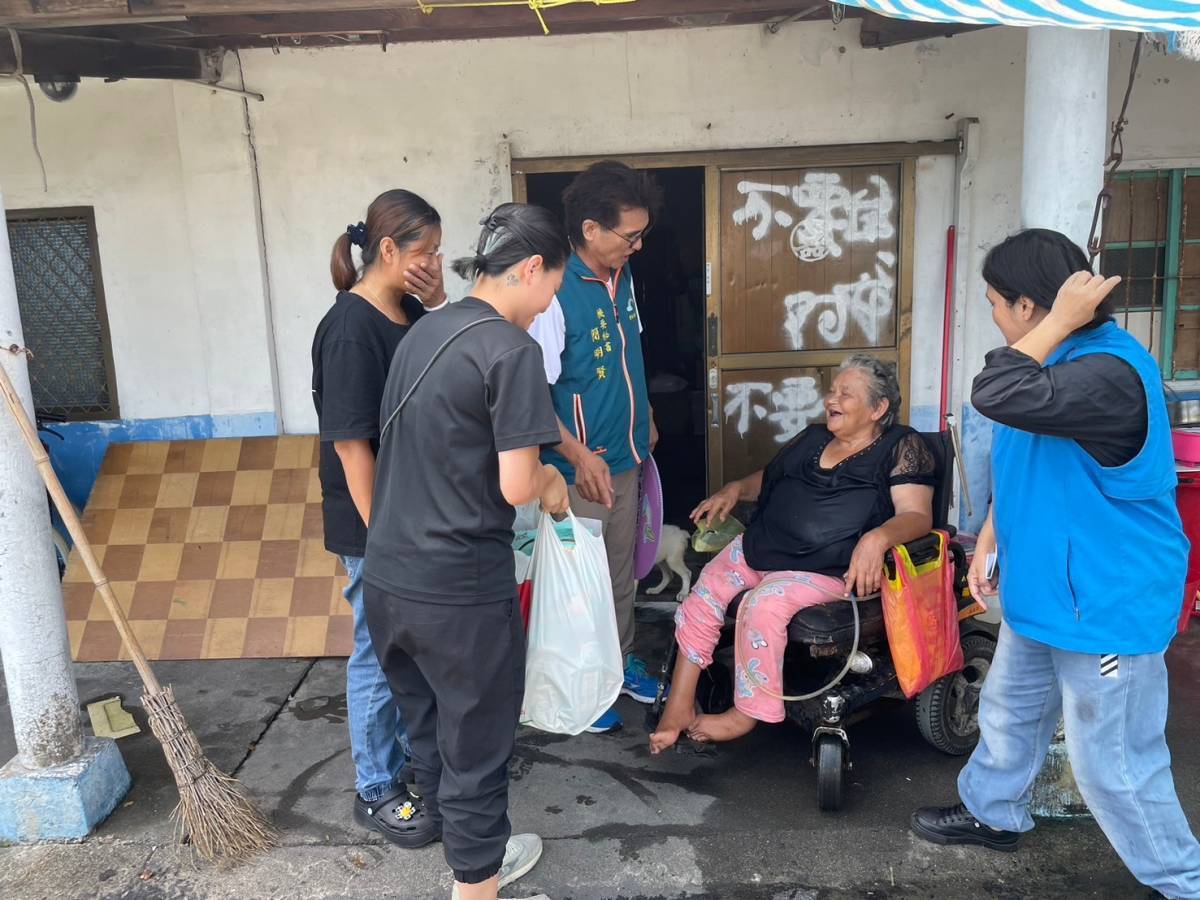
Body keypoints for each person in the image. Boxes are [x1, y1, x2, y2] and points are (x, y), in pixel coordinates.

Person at [910, 229, 1200, 899]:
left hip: (1103, 597)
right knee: (1011, 711)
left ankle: (1184, 881)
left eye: (995, 303)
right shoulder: (1064, 358)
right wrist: (989, 535)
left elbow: (998, 390)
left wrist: (1055, 322)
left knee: (1115, 763)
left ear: (1028, 306)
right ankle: (994, 811)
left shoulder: (1105, 373)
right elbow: (1029, 461)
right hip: (1049, 584)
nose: (992, 316)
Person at [363, 203, 571, 900]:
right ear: (533, 269)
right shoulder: (511, 350)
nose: (549, 307)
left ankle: (462, 854)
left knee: (428, 732)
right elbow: (516, 485)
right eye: (554, 290)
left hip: (390, 582)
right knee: (477, 745)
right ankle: (476, 884)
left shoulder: (426, 334)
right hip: (459, 588)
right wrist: (550, 481)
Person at [649, 355, 937, 753]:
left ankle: (745, 713)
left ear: (878, 408)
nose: (831, 399)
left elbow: (916, 515)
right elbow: (768, 479)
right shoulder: (813, 438)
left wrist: (877, 538)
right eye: (832, 390)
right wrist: (735, 488)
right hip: (764, 546)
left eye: (845, 394)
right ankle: (679, 705)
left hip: (826, 566)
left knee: (761, 605)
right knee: (707, 590)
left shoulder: (901, 446)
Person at [311, 189, 447, 844]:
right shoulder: (350, 329)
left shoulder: (410, 311)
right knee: (377, 648)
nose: (432, 262)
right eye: (425, 251)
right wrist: (384, 536)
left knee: (411, 648)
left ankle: (409, 760)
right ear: (387, 249)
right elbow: (349, 442)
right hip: (376, 524)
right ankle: (376, 787)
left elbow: (452, 362)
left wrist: (443, 301)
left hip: (415, 512)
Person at [528, 160, 664, 734]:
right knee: (578, 587)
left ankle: (620, 663)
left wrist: (648, 418)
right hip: (576, 468)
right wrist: (578, 456)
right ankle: (584, 684)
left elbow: (629, 358)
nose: (637, 245)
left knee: (618, 573)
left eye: (641, 235)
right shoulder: (556, 294)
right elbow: (530, 394)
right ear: (589, 229)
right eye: (628, 235)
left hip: (625, 457)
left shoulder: (621, 275)